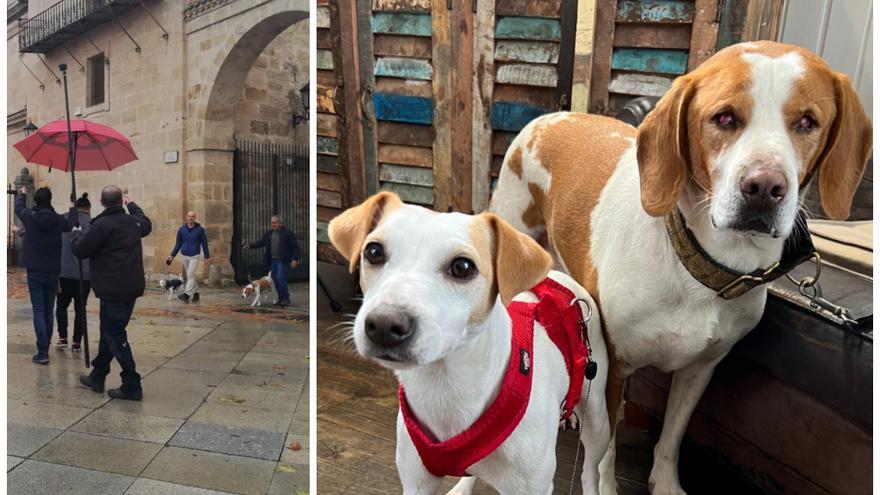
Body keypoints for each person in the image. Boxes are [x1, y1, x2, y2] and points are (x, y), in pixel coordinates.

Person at [72, 185, 151, 400]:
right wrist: (132, 203)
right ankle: (98, 375)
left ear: (102, 201)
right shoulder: (133, 223)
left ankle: (132, 383)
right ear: (120, 202)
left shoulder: (101, 225)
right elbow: (145, 222)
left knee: (115, 334)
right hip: (131, 288)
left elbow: (80, 250)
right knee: (110, 331)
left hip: (112, 289)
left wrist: (76, 235)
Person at [14, 186, 74, 364]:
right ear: (50, 200)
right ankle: (45, 345)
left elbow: (18, 208)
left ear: (37, 201)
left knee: (39, 310)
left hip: (35, 270)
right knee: (48, 310)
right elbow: (73, 223)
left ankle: (42, 351)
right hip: (52, 270)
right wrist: (72, 206)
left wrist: (22, 194)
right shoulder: (57, 220)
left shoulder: (30, 218)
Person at [56, 193, 93, 351]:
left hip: (63, 272)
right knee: (80, 308)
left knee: (61, 306)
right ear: (88, 209)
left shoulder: (63, 219)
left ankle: (62, 337)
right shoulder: (93, 224)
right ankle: (77, 341)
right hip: (84, 275)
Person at [243, 215, 300, 307]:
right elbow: (261, 242)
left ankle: (285, 299)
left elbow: (295, 247)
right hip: (273, 260)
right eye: (272, 223)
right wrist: (250, 246)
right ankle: (280, 299)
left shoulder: (288, 233)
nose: (273, 225)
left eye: (275, 223)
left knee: (280, 278)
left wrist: (295, 259)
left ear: (280, 223)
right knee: (275, 279)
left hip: (283, 260)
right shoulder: (269, 233)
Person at [165, 211, 210, 303]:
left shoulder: (200, 230)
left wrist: (206, 256)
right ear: (186, 217)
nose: (191, 218)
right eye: (189, 216)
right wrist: (172, 255)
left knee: (190, 275)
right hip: (184, 255)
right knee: (191, 276)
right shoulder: (181, 230)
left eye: (193, 216)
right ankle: (196, 293)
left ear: (195, 217)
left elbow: (204, 244)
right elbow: (178, 244)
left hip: (195, 255)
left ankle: (186, 295)